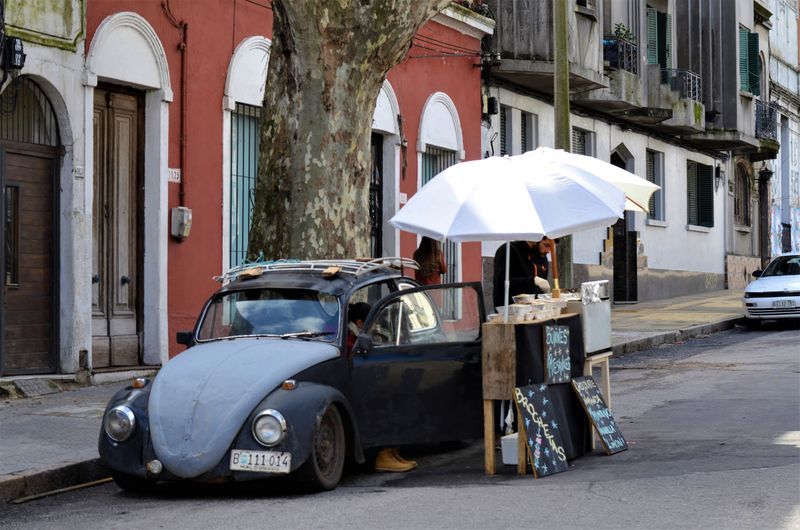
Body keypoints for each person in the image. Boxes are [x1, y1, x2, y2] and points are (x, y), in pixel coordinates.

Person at [346, 302, 417, 472]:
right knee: (387, 403)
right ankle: (383, 454)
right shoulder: (350, 340)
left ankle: (392, 451)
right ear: (360, 323)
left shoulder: (360, 335)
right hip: (354, 389)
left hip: (364, 384)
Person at [492, 241, 551, 310]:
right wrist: (532, 280)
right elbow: (502, 282)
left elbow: (542, 286)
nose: (548, 251)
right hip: (509, 308)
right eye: (546, 245)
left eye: (551, 247)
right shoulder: (508, 250)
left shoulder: (541, 257)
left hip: (533, 308)